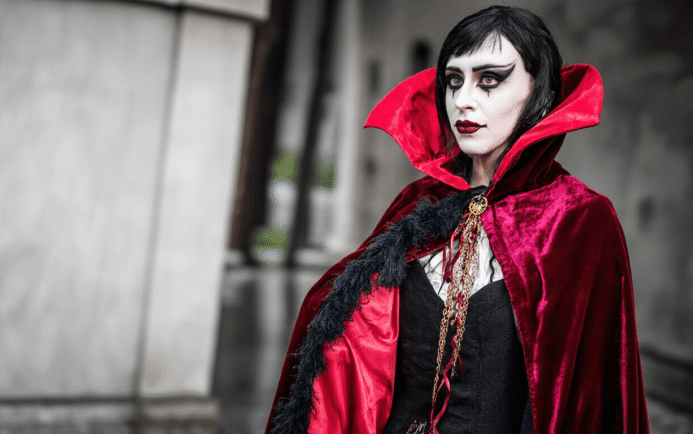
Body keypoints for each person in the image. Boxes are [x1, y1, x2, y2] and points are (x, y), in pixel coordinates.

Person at [266, 5, 649, 434]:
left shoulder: (579, 219)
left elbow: (590, 396)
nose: (463, 99)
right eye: (453, 80)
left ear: (539, 93)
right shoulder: (418, 202)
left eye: (490, 80)